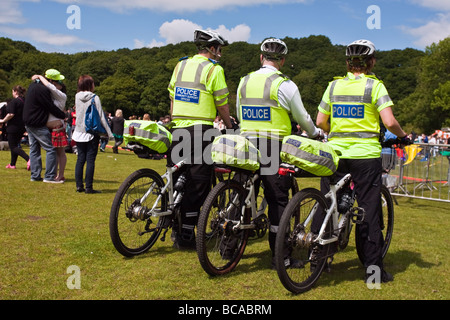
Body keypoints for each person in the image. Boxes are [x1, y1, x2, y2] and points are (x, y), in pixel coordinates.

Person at [316, 39, 409, 283]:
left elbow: (320, 121)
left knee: (329, 203)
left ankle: (318, 257)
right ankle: (373, 271)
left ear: (348, 63)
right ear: (371, 62)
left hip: (335, 153)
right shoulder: (375, 86)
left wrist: (334, 131)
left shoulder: (334, 86)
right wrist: (403, 136)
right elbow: (389, 122)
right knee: (368, 211)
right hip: (365, 155)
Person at [236, 38, 321, 267]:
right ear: (282, 60)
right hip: (273, 145)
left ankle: (227, 247)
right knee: (277, 201)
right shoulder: (285, 84)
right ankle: (280, 257)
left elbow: (238, 111)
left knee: (240, 194)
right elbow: (303, 118)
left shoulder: (244, 81)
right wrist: (315, 134)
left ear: (260, 57)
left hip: (245, 143)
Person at [168, 29, 232, 249]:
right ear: (212, 48)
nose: (219, 54)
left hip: (178, 128)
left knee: (177, 181)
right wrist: (230, 126)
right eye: (219, 49)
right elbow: (222, 103)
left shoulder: (181, 65)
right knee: (199, 183)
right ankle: (186, 233)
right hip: (201, 130)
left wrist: (175, 120)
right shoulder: (214, 69)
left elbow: (172, 96)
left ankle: (172, 225)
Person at [23, 69, 66, 183]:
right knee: (50, 149)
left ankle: (35, 175)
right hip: (37, 122)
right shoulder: (43, 89)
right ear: (51, 81)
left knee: (34, 149)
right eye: (56, 82)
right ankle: (49, 176)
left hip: (28, 122)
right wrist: (63, 115)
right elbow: (49, 106)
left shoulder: (33, 86)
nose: (57, 85)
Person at [72, 75, 113, 194]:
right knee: (90, 160)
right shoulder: (95, 98)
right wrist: (110, 134)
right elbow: (101, 116)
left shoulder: (77, 96)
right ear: (90, 85)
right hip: (91, 133)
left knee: (80, 159)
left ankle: (79, 185)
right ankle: (89, 187)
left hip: (79, 132)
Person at [0, 85, 30, 170]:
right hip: (22, 126)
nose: (12, 93)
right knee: (15, 145)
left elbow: (11, 114)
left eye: (13, 92)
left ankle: (28, 159)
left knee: (12, 146)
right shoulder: (25, 101)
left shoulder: (15, 101)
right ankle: (12, 164)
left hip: (13, 126)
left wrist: (2, 121)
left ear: (16, 92)